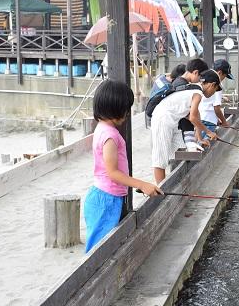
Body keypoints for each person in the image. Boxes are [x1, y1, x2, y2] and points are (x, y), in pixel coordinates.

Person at [84, 79, 162, 253]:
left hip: (107, 196)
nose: (128, 114)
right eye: (126, 109)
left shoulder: (102, 128)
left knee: (105, 244)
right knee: (98, 249)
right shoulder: (110, 135)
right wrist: (142, 184)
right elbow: (113, 173)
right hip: (106, 200)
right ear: (116, 108)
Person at [151, 70, 220, 185]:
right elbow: (193, 118)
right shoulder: (197, 93)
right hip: (162, 119)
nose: (213, 93)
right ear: (212, 85)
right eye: (215, 90)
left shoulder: (194, 88)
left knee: (180, 151)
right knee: (160, 159)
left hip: (173, 122)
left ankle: (172, 185)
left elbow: (196, 116)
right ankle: (161, 191)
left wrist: (199, 138)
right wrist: (209, 132)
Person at [199, 58, 233, 134]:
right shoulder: (217, 85)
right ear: (220, 73)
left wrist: (217, 119)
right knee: (207, 140)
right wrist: (224, 122)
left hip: (200, 117)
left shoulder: (205, 80)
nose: (224, 79)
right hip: (209, 121)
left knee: (199, 139)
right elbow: (216, 108)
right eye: (225, 76)